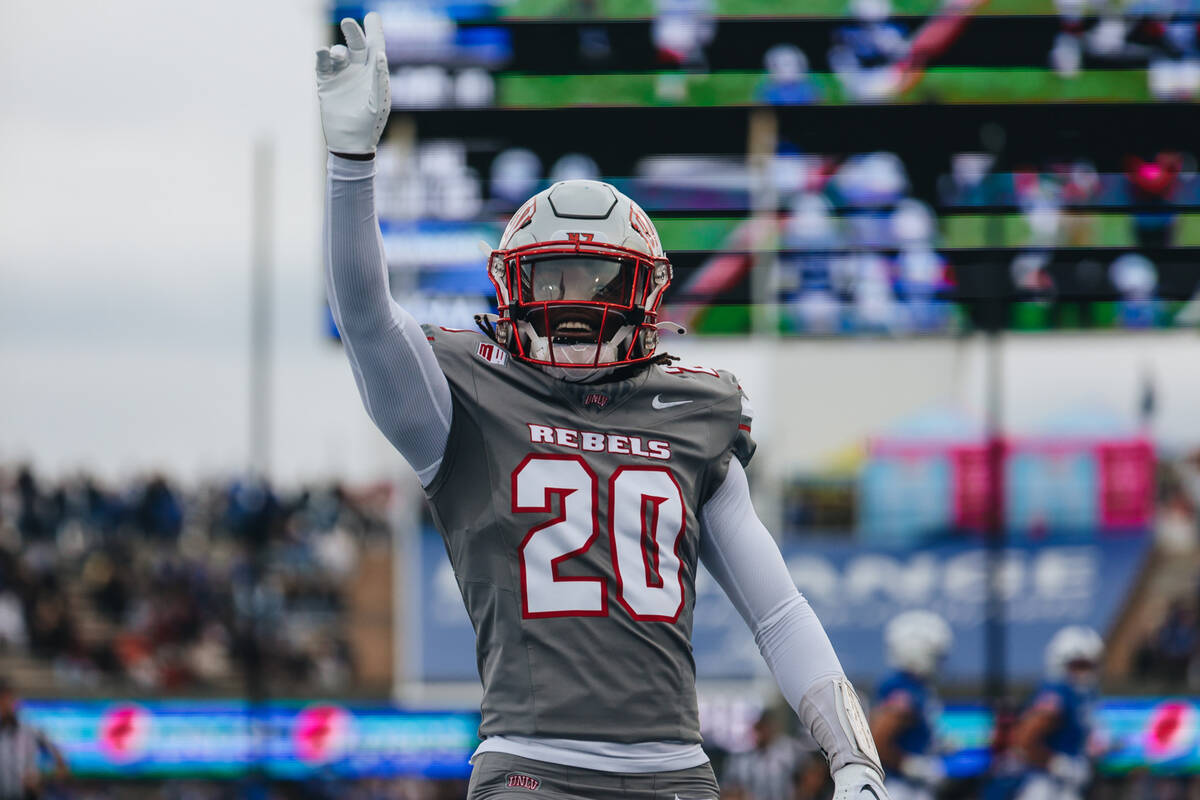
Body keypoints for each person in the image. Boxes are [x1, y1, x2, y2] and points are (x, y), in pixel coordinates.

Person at [315, 15, 889, 800]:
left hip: (676, 773)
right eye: (551, 279)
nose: (574, 304)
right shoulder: (465, 399)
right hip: (531, 768)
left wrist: (855, 757)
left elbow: (779, 612)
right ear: (512, 287)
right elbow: (366, 313)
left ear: (644, 294)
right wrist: (352, 163)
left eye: (599, 282)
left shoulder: (695, 412)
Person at [1011, 626, 1104, 800]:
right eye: (1080, 665)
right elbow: (1023, 741)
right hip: (1045, 787)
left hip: (1065, 786)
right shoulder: (1056, 693)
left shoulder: (1083, 694)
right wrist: (1058, 764)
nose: (1087, 672)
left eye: (1090, 665)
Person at [870, 611, 953, 800]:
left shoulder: (918, 688)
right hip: (899, 789)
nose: (940, 663)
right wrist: (909, 765)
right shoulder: (903, 691)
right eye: (936, 656)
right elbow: (877, 742)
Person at [722, 710, 826, 800]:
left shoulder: (788, 749)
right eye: (758, 728)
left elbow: (813, 771)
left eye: (763, 727)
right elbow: (728, 790)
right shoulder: (740, 756)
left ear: (770, 727)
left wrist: (802, 792)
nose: (760, 733)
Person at [0, 681, 67, 800]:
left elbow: (62, 763)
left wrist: (41, 779)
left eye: (7, 699)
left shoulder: (30, 731)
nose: (4, 704)